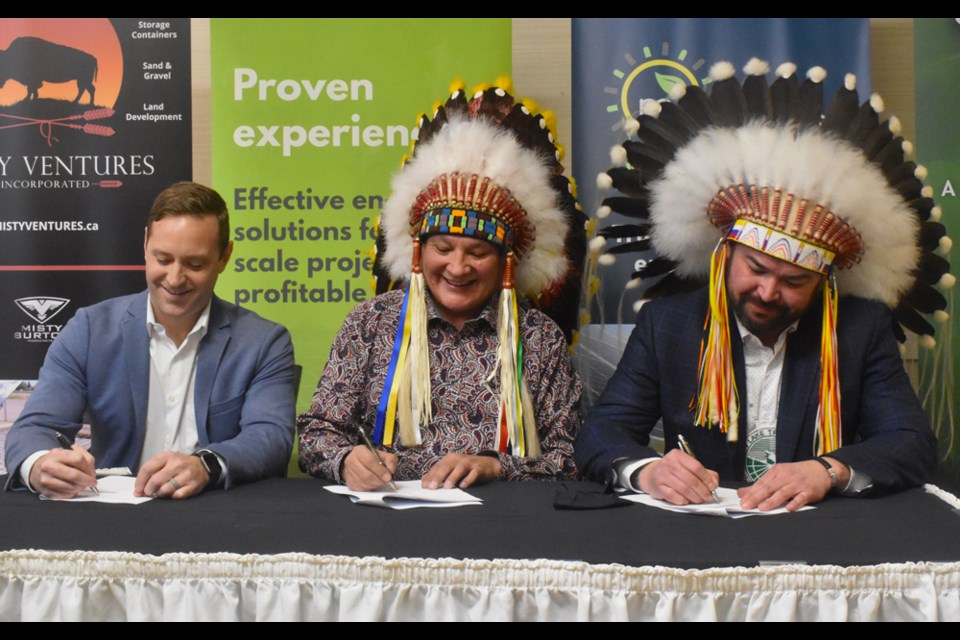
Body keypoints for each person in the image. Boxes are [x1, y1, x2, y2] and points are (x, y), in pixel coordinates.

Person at [576, 59, 946, 511]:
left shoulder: (860, 329)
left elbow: (911, 443)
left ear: (823, 282)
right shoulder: (667, 324)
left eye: (793, 280)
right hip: (699, 537)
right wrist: (647, 470)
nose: (769, 292)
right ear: (724, 255)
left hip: (818, 539)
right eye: (756, 268)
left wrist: (827, 470)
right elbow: (601, 431)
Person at [298, 82, 585, 491]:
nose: (457, 267)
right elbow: (316, 432)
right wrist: (347, 460)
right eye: (444, 248)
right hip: (385, 523)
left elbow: (569, 455)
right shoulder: (371, 324)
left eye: (478, 253)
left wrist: (496, 467)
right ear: (419, 251)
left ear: (506, 261)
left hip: (502, 530)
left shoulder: (539, 339)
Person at [4, 182, 297, 499]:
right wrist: (39, 464)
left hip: (219, 515)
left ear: (225, 257)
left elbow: (270, 436)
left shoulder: (264, 342)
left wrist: (206, 466)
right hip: (115, 523)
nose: (174, 278)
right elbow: (35, 427)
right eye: (163, 259)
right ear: (145, 244)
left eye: (194, 264)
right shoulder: (89, 330)